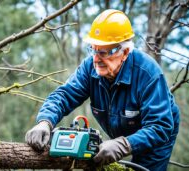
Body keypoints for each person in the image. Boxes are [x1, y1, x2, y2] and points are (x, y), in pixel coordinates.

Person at [25, 9, 179, 171]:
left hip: (156, 136)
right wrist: (45, 122)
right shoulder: (90, 67)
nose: (96, 59)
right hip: (121, 129)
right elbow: (64, 95)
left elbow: (160, 126)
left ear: (125, 52)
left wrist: (124, 144)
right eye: (93, 49)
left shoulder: (148, 74)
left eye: (104, 52)